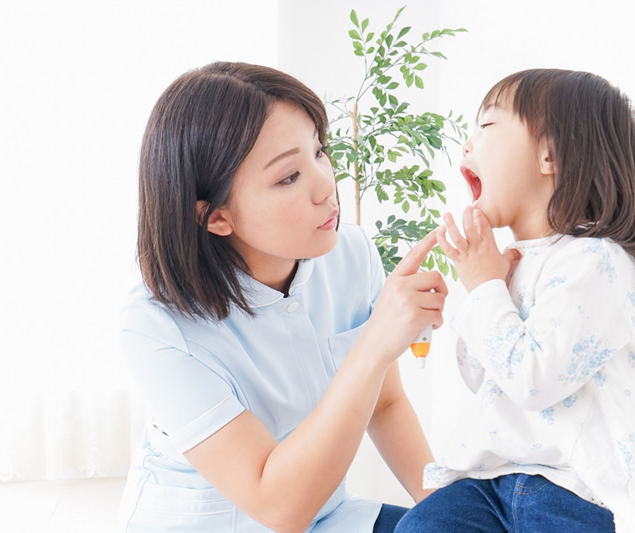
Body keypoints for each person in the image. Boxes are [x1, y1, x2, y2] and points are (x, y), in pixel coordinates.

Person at [116, 61, 448, 533]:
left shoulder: (349, 254)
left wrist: (455, 514)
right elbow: (277, 509)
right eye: (288, 177)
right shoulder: (155, 325)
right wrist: (376, 342)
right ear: (215, 218)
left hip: (329, 515)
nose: (324, 184)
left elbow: (387, 404)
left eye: (319, 151)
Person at [394, 69, 635, 532]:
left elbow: (533, 381)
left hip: (576, 488)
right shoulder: (514, 263)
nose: (467, 147)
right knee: (421, 526)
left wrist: (486, 290)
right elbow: (482, 376)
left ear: (550, 154)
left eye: (486, 127)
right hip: (492, 480)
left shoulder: (596, 263)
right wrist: (486, 288)